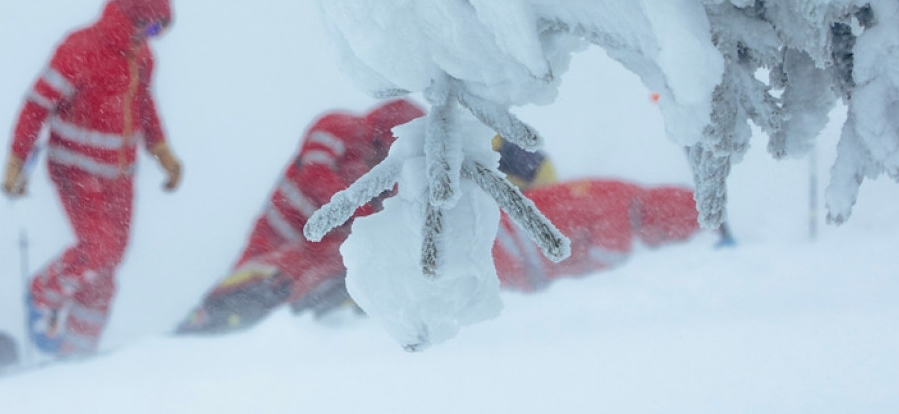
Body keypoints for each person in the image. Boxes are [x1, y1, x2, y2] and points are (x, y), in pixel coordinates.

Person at [176, 99, 714, 335]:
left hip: (327, 254)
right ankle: (213, 319)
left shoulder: (398, 188)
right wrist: (371, 209)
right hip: (283, 245)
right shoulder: (338, 132)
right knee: (274, 283)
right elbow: (321, 186)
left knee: (324, 283)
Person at [1, 0, 182, 356]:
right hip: (75, 168)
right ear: (133, 19)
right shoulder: (81, 48)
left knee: (109, 262)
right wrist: (17, 160)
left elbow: (144, 106)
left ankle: (77, 351)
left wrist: (161, 150)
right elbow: (37, 104)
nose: (154, 40)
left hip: (121, 175)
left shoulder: (142, 57)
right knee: (98, 248)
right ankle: (41, 296)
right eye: (152, 29)